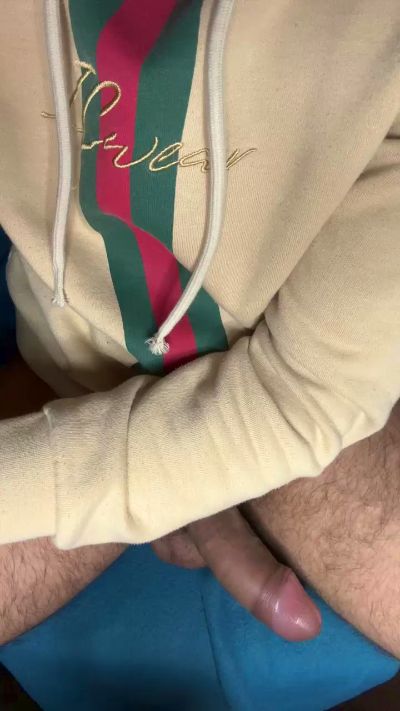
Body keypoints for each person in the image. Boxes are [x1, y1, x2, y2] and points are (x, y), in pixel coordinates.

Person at [1, 0, 400, 705]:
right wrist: (179, 470)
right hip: (64, 364)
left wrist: (179, 466)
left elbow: (305, 396)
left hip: (318, 377)